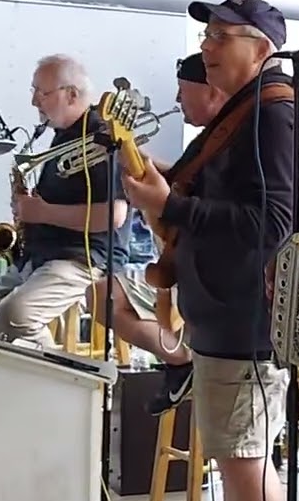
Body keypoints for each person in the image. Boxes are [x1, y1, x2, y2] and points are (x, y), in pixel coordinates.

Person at [120, 0, 299, 501]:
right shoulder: (247, 114)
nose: (207, 46)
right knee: (236, 450)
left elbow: (275, 223)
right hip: (228, 313)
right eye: (208, 35)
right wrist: (165, 184)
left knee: (244, 453)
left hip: (252, 320)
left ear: (262, 49)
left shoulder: (274, 119)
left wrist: (173, 207)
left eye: (223, 36)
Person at [85, 54, 229, 415]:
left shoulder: (228, 142)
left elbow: (193, 201)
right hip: (185, 272)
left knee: (103, 292)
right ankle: (180, 361)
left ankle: (184, 361)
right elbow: (181, 178)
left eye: (183, 91)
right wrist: (134, 158)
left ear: (211, 92)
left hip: (209, 285)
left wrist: (154, 189)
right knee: (102, 293)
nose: (178, 101)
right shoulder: (209, 139)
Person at [0, 54, 130, 345]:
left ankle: (66, 380)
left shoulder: (100, 139)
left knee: (12, 317)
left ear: (71, 94)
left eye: (41, 93)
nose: (34, 102)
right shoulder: (63, 135)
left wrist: (42, 212)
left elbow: (114, 215)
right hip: (41, 254)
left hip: (81, 257)